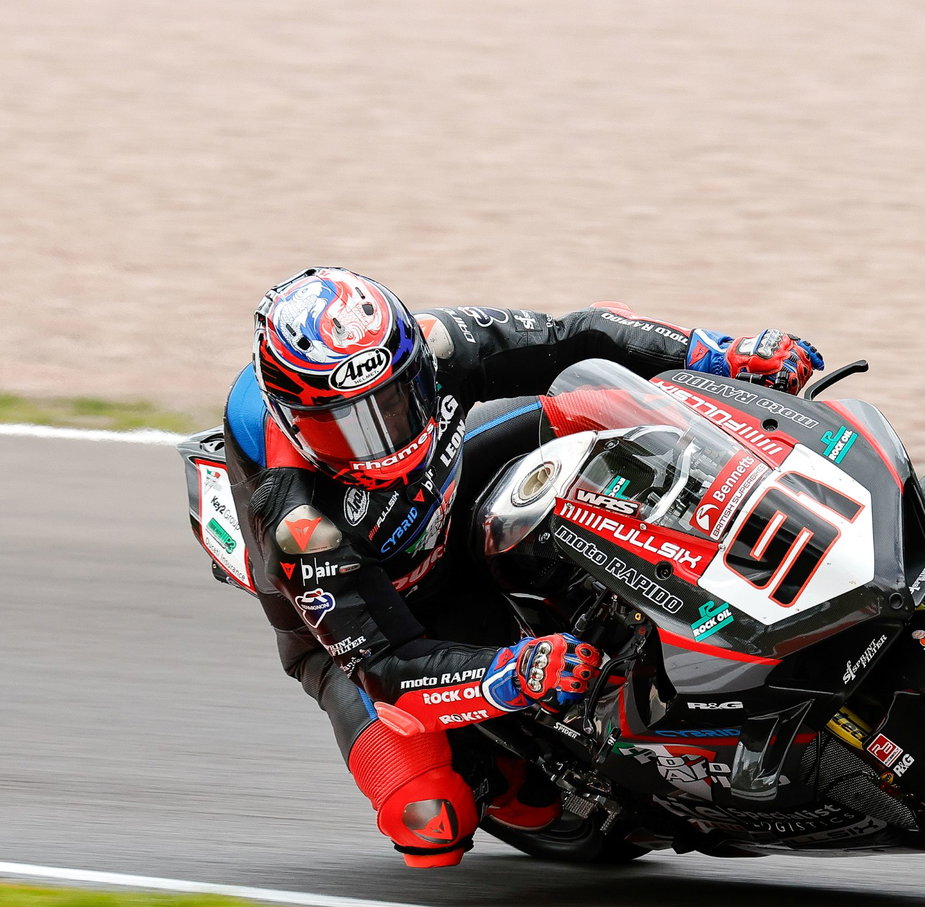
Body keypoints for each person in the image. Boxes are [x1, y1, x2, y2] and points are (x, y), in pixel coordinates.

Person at [218, 266, 822, 867]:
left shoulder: (434, 344)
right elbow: (386, 664)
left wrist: (720, 353)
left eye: (394, 403)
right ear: (293, 422)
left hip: (452, 496)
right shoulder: (300, 526)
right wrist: (513, 674)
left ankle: (764, 508)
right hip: (371, 623)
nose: (380, 441)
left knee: (603, 403)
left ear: (414, 367)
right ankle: (505, 784)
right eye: (341, 427)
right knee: (429, 818)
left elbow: (575, 336)